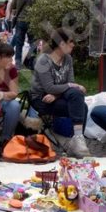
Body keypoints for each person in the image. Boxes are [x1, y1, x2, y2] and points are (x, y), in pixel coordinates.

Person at [30, 27, 89, 157]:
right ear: (62, 44)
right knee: (81, 106)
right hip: (41, 98)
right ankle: (74, 142)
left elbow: (70, 86)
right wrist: (69, 85)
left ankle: (78, 139)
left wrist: (57, 94)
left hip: (56, 96)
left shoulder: (68, 59)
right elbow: (49, 87)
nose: (73, 44)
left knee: (77, 96)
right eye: (71, 41)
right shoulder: (44, 60)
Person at [8, 0, 37, 68]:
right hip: (32, 21)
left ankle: (18, 64)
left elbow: (13, 6)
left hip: (20, 21)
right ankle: (31, 63)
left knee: (19, 42)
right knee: (32, 43)